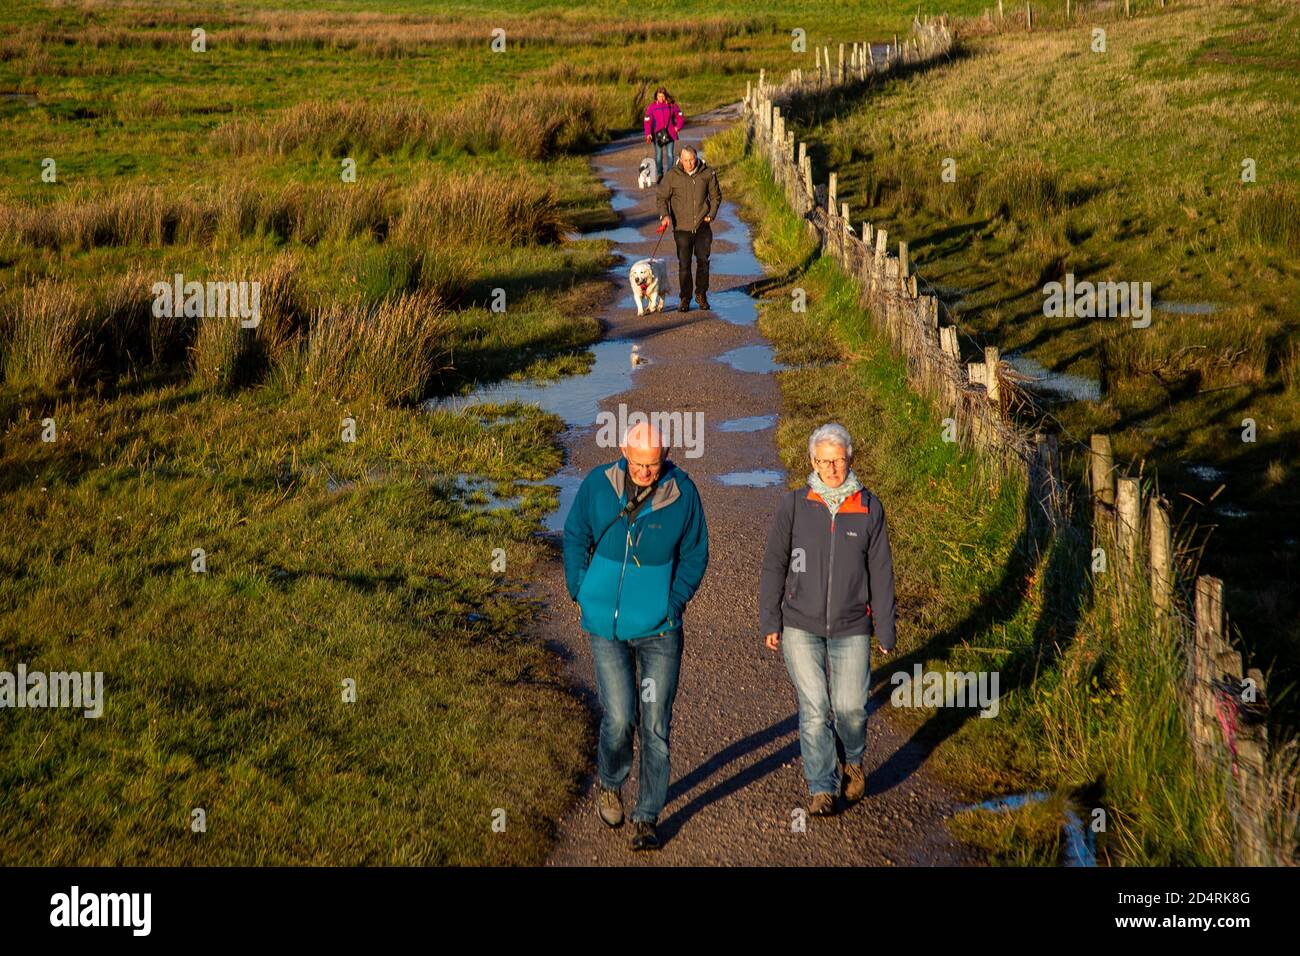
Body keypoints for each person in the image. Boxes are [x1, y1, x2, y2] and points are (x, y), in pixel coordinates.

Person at [563, 421, 709, 850]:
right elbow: (575, 535)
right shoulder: (598, 485)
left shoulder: (681, 494)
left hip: (660, 630)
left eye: (655, 463)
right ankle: (610, 783)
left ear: (664, 456)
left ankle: (647, 817)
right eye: (640, 464)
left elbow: (696, 553)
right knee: (621, 717)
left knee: (655, 726)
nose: (647, 472)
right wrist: (580, 589)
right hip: (606, 628)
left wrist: (673, 603)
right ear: (624, 452)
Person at [758, 423, 897, 817]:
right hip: (799, 624)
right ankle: (821, 786)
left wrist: (885, 625)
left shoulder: (869, 507)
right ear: (812, 462)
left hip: (853, 625)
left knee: (851, 708)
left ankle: (852, 759)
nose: (831, 469)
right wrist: (771, 620)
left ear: (850, 459)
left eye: (837, 461)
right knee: (815, 707)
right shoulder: (795, 505)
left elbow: (881, 571)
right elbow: (774, 565)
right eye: (823, 461)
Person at [655, 145, 721, 313]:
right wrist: (665, 216)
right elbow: (661, 198)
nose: (689, 164)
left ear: (696, 157)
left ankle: (701, 294)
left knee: (703, 262)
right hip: (681, 228)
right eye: (686, 161)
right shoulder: (672, 176)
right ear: (680, 160)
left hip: (702, 225)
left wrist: (711, 214)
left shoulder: (708, 173)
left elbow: (716, 197)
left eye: (692, 160)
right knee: (684, 264)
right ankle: (685, 297)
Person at [643, 86, 684, 183]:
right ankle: (660, 174)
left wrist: (677, 127)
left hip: (670, 134)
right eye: (659, 96)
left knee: (670, 155)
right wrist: (648, 134)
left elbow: (680, 116)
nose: (661, 98)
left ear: (665, 96)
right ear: (656, 96)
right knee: (658, 156)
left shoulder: (672, 105)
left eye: (662, 96)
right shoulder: (652, 107)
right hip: (657, 135)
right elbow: (647, 121)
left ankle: (669, 175)